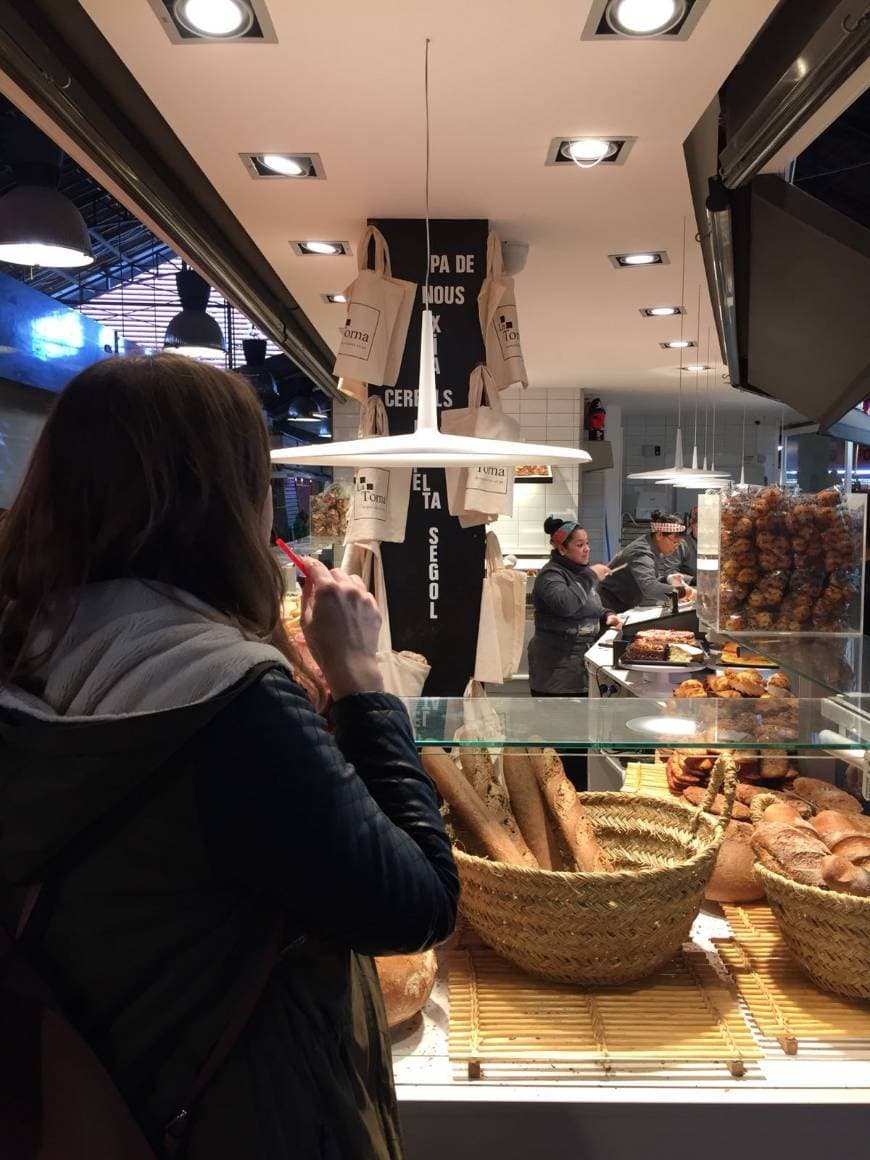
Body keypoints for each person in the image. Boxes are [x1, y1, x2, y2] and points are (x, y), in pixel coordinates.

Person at [0, 354, 458, 1159]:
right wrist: (361, 683)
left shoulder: (25, 648)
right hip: (229, 1112)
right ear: (225, 498)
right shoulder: (227, 698)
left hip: (67, 1092)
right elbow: (415, 904)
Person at [528, 515, 621, 697]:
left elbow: (587, 605)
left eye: (586, 543)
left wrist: (606, 615)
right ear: (562, 549)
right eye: (579, 545)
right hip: (556, 668)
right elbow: (567, 604)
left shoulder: (579, 572)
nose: (587, 549)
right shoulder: (551, 575)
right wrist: (591, 576)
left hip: (580, 664)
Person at [599, 510, 695, 612]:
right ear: (659, 535)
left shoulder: (651, 546)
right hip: (605, 604)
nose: (676, 547)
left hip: (621, 603)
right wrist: (684, 592)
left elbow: (645, 578)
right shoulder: (642, 552)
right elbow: (649, 587)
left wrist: (668, 579)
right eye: (674, 542)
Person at [663, 505, 698, 584]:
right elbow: (670, 571)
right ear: (691, 524)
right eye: (699, 526)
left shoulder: (722, 544)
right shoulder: (681, 544)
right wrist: (693, 580)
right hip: (690, 586)